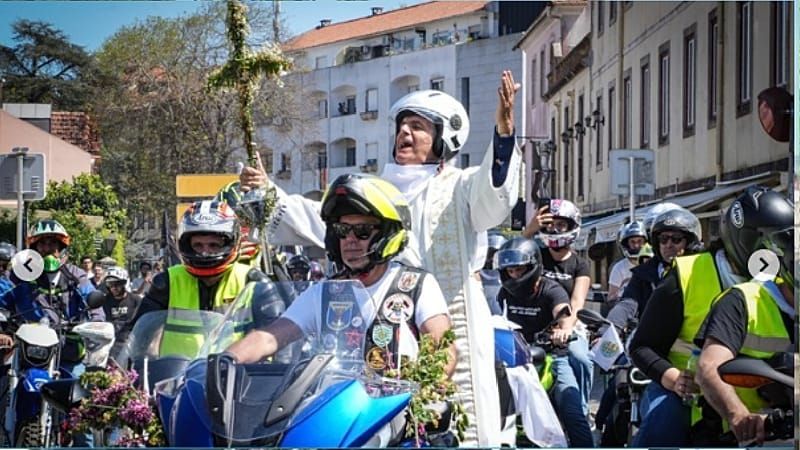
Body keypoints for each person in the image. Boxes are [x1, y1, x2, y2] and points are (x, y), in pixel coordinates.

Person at [238, 71, 522, 445]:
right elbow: (319, 219)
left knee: (457, 425)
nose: (404, 132)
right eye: (402, 126)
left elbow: (493, 196)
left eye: (417, 126)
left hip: (449, 315)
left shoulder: (461, 185)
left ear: (444, 138)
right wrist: (268, 193)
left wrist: (503, 136)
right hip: (371, 320)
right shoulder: (375, 190)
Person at [227, 173, 455, 380]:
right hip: (333, 409)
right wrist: (223, 361)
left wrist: (426, 388)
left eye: (363, 231)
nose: (350, 240)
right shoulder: (325, 292)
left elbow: (444, 351)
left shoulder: (415, 286)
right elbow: (268, 338)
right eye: (342, 231)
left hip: (398, 410)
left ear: (387, 235)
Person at [628, 203, 745, 447]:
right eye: (663, 239)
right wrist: (675, 380)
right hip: (681, 386)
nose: (669, 245)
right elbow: (630, 313)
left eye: (676, 239)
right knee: (661, 418)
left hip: (741, 393)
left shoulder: (770, 279)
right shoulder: (647, 273)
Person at [694, 187, 794, 446]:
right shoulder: (742, 300)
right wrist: (740, 416)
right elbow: (709, 367)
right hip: (758, 434)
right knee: (660, 423)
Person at [0, 220, 101, 447]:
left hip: (68, 353)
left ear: (62, 248)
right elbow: (2, 295)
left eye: (53, 244)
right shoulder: (20, 275)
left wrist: (96, 325)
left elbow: (93, 303)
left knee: (82, 412)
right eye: (42, 244)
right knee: (3, 388)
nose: (48, 249)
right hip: (28, 355)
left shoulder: (76, 276)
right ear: (34, 249)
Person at [136, 200, 268, 356]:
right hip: (178, 370)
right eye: (198, 245)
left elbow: (276, 333)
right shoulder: (168, 281)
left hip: (237, 368)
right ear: (186, 245)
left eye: (214, 245)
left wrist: (278, 366)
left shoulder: (252, 281)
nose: (205, 252)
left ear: (231, 243)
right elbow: (136, 332)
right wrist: (118, 365)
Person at [494, 237, 591, 446]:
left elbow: (564, 312)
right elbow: (495, 317)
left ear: (533, 267)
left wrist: (564, 329)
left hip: (552, 356)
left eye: (519, 269)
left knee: (572, 412)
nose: (515, 275)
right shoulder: (504, 293)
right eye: (510, 270)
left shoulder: (551, 290)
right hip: (515, 360)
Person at [522, 198, 594, 444]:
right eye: (550, 224)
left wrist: (565, 328)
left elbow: (577, 302)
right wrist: (530, 229)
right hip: (534, 324)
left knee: (581, 357)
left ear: (572, 227)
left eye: (561, 225)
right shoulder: (537, 256)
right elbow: (514, 256)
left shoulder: (580, 265)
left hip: (568, 324)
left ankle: (582, 407)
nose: (554, 229)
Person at [100, 266, 142, 359]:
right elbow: (99, 318)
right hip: (109, 342)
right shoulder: (104, 301)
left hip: (131, 342)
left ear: (124, 283)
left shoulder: (136, 300)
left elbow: (143, 322)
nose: (114, 288)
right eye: (110, 284)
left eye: (117, 284)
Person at [608, 221, 647, 301]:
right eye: (632, 242)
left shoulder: (653, 264)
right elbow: (610, 298)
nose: (636, 245)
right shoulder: (619, 268)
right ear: (626, 244)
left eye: (639, 241)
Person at [480, 231, 506, 315]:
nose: (492, 258)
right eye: (490, 253)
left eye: (496, 254)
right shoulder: (476, 274)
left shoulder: (508, 275)